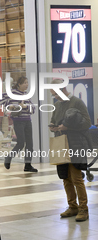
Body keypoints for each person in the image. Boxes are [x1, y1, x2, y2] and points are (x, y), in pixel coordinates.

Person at [49, 79, 91, 222]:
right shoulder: (56, 105)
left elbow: (87, 123)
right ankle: (72, 206)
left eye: (56, 93)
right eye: (53, 94)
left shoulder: (77, 102)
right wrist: (53, 126)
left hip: (76, 144)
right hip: (61, 144)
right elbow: (54, 120)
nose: (55, 96)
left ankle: (83, 209)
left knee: (76, 177)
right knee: (65, 177)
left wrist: (68, 128)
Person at [2, 76, 38, 172]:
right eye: (24, 83)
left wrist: (25, 106)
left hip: (27, 120)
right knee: (21, 143)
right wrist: (15, 106)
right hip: (18, 121)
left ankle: (28, 165)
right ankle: (9, 157)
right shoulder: (13, 93)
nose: (27, 84)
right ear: (19, 84)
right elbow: (4, 103)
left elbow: (33, 109)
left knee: (30, 144)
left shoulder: (27, 94)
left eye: (27, 82)